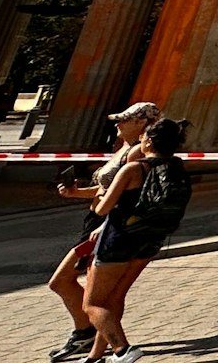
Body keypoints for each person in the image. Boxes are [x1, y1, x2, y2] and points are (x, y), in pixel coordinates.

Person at [48, 101, 159, 362]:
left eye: (124, 119)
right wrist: (77, 193)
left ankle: (94, 337)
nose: (118, 124)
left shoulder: (137, 155)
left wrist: (105, 223)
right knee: (99, 293)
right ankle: (95, 344)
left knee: (64, 282)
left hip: (109, 225)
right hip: (99, 222)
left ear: (142, 123)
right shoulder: (124, 148)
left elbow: (128, 195)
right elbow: (107, 190)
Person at [85, 117, 194, 361]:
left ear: (150, 140)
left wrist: (98, 196)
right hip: (149, 239)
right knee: (115, 298)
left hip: (118, 240)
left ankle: (123, 350)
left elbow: (102, 210)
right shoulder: (176, 168)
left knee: (92, 305)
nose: (141, 140)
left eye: (144, 136)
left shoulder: (133, 169)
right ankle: (96, 356)